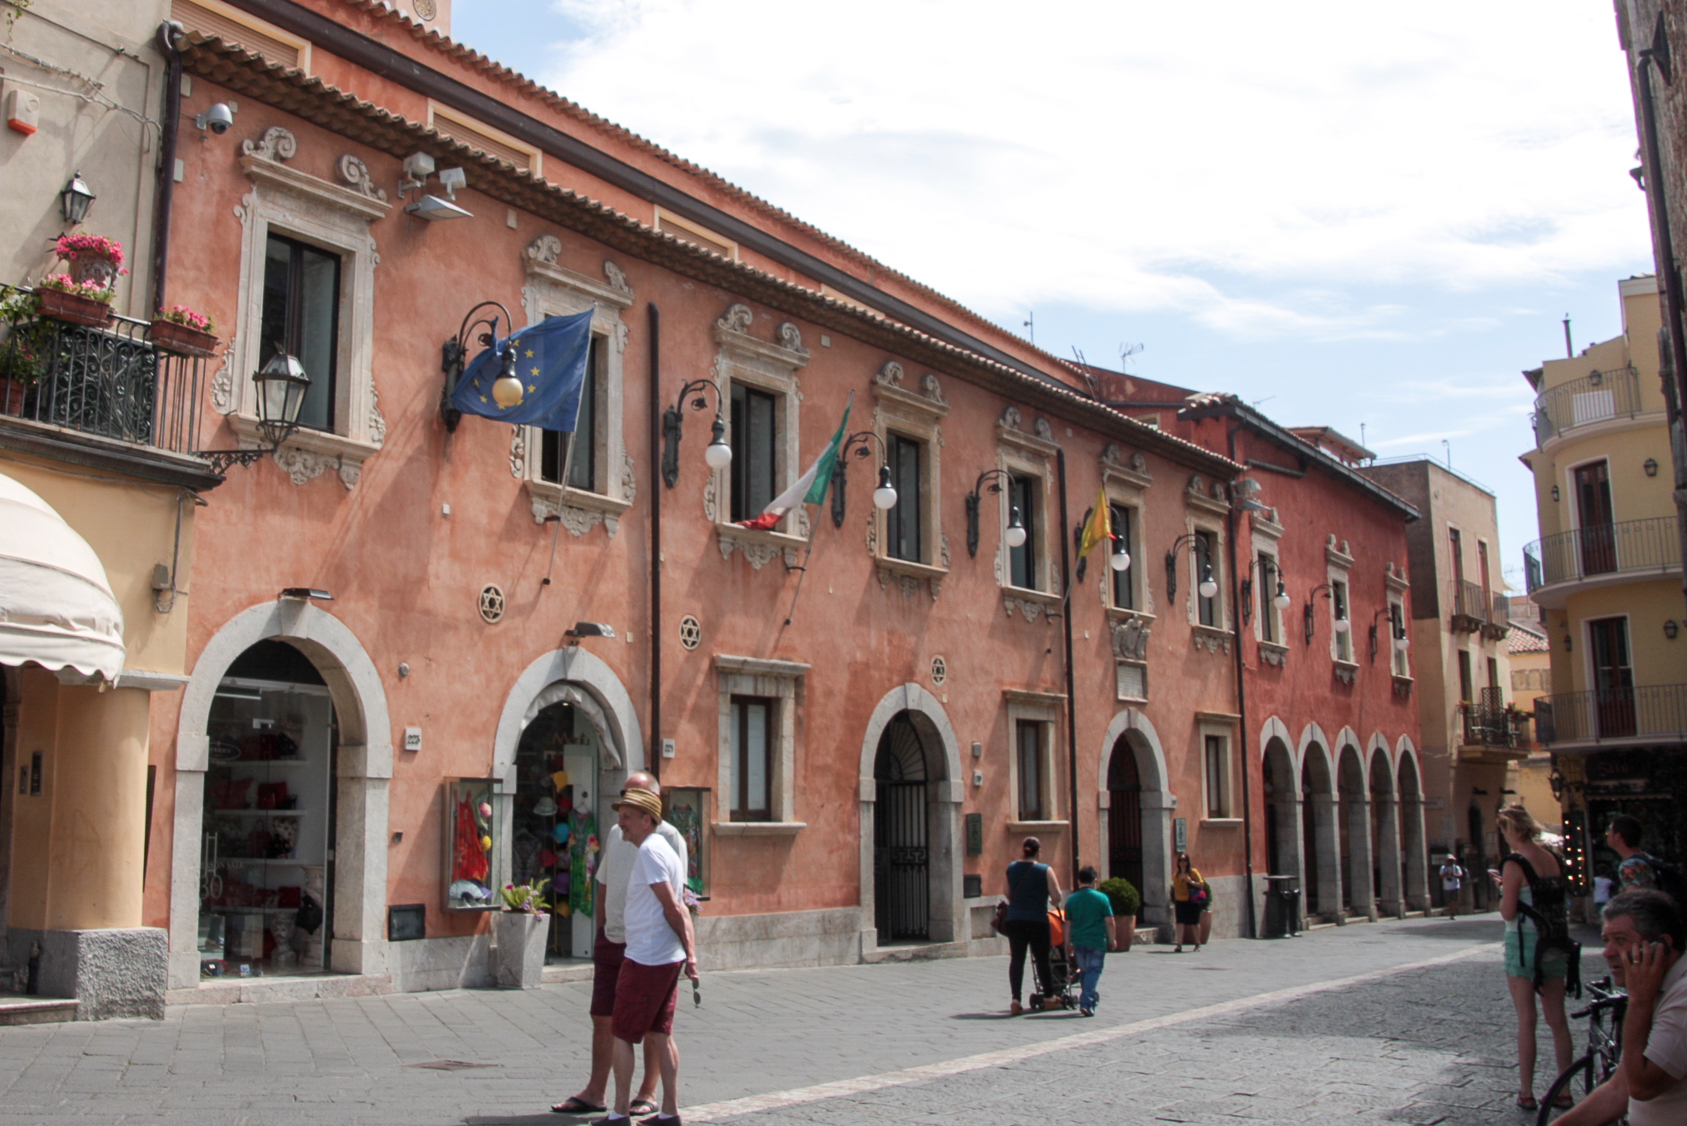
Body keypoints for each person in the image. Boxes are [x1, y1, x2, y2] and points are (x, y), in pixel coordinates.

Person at [552, 773, 689, 1120]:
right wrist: (599, 932)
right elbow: (604, 883)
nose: (624, 806)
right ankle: (596, 1092)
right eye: (625, 795)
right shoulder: (616, 834)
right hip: (613, 938)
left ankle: (646, 1094)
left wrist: (688, 950)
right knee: (603, 1017)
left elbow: (677, 900)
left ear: (651, 806)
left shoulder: (669, 838)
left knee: (647, 1027)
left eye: (634, 796)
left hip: (645, 946)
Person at [595, 787, 696, 1126]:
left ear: (646, 819)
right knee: (660, 1033)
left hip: (646, 958)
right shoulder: (665, 850)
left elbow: (671, 907)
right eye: (620, 815)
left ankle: (619, 1113)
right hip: (665, 956)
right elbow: (680, 907)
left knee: (622, 1033)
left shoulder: (650, 853)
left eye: (627, 816)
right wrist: (689, 956)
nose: (620, 822)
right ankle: (669, 1113)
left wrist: (690, 953)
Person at [1553, 889, 1687, 1126]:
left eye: (1621, 940)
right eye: (1606, 940)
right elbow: (1618, 1089)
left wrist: (1638, 1001)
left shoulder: (1682, 997)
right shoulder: (1663, 986)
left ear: (1663, 946)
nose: (1608, 952)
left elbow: (1641, 1086)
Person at [1490, 805, 1574, 1112]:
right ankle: (1564, 1090)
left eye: (1503, 831)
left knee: (1527, 1020)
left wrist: (1503, 889)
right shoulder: (1552, 858)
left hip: (1524, 944)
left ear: (1511, 830)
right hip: (1554, 944)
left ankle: (1526, 1091)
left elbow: (1508, 912)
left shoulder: (1515, 863)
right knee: (1558, 1021)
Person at [1003, 836, 1062, 1015]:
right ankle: (1049, 997)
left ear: (1023, 849)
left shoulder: (1011, 868)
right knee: (1042, 959)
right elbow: (1057, 895)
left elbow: (1007, 892)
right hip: (1037, 919)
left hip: (1015, 919)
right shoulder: (1045, 870)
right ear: (1039, 851)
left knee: (1017, 959)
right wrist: (1051, 901)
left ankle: (1015, 999)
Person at [1063, 866, 1116, 1017]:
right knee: (1094, 971)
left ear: (1079, 881)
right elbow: (1109, 921)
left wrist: (1067, 943)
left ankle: (1089, 1000)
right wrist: (1112, 939)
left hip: (1078, 941)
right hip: (1096, 941)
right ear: (1095, 880)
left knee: (1085, 971)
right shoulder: (1102, 898)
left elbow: (1068, 924)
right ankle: (1086, 1001)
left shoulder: (1072, 899)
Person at [1609, 814, 1661, 891]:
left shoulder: (1629, 866)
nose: (1607, 835)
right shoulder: (1649, 859)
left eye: (1609, 831)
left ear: (1618, 836)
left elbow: (1634, 899)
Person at [1171, 853, 1207, 953]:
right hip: (1180, 902)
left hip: (1192, 901)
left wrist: (1190, 881)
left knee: (1194, 923)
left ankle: (1197, 943)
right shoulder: (1176, 876)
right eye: (1181, 861)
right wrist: (1175, 900)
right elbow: (1175, 889)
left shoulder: (1193, 872)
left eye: (1185, 860)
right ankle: (1179, 944)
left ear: (1188, 862)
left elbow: (1201, 884)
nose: (1183, 863)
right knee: (1180, 923)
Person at [1439, 854, 1465, 919]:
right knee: (1449, 901)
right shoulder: (1443, 868)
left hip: (1455, 886)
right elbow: (1441, 876)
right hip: (1447, 887)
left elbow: (1460, 875)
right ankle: (1452, 911)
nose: (1449, 861)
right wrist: (1447, 874)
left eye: (1451, 860)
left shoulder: (1456, 868)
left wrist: (1453, 874)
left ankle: (1453, 912)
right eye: (1448, 860)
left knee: (1454, 900)